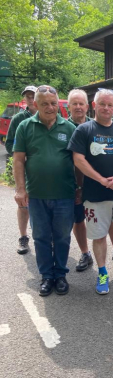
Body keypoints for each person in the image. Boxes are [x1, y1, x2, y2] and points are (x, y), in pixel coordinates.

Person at [68, 88, 113, 295]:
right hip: (94, 196)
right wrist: (101, 180)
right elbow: (78, 159)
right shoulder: (84, 130)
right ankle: (102, 274)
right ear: (94, 105)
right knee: (98, 236)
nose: (106, 108)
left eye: (110, 105)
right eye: (102, 104)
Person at [13, 85, 76, 297]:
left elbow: (78, 162)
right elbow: (18, 160)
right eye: (44, 104)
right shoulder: (24, 127)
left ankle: (60, 274)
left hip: (64, 194)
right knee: (40, 236)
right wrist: (20, 189)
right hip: (37, 194)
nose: (50, 107)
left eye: (53, 103)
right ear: (35, 105)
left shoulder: (69, 128)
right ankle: (46, 276)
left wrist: (80, 188)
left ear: (58, 104)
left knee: (62, 237)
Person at [67, 89, 113, 271]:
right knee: (79, 219)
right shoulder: (62, 126)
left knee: (109, 218)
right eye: (74, 103)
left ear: (87, 106)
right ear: (68, 106)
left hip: (98, 183)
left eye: (81, 103)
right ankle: (85, 253)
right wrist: (77, 186)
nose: (78, 107)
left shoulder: (97, 125)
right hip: (73, 183)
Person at [5, 85, 37, 255]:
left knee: (44, 203)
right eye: (28, 96)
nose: (31, 99)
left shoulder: (48, 114)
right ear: (24, 99)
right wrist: (20, 155)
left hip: (41, 171)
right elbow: (9, 143)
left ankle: (48, 237)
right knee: (23, 203)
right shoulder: (18, 119)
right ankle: (23, 237)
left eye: (33, 95)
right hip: (25, 168)